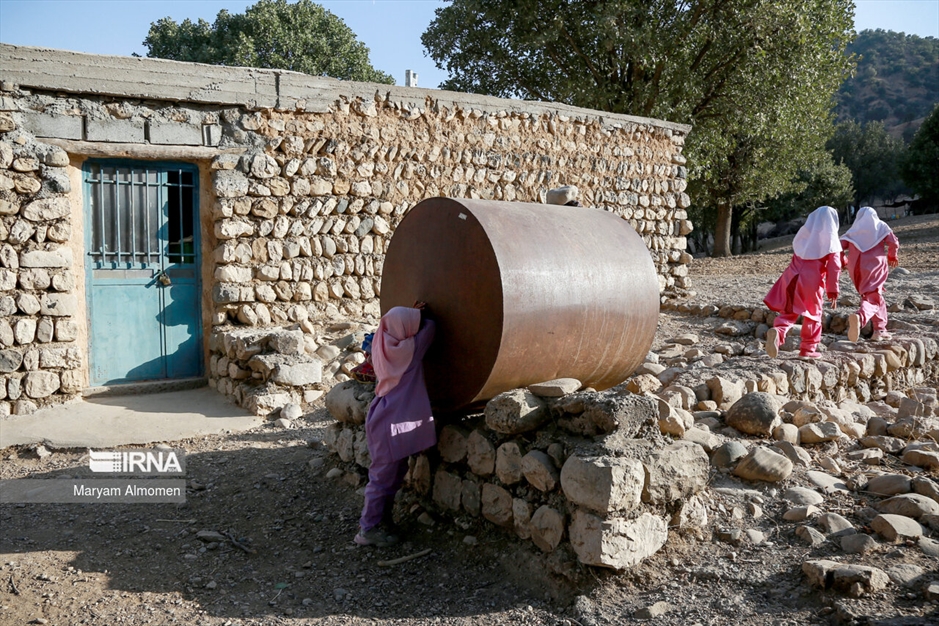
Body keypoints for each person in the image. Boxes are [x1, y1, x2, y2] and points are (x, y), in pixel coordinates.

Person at [355, 302, 436, 547]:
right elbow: (431, 328)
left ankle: (382, 521)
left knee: (390, 475)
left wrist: (407, 316)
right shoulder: (409, 351)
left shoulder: (381, 344)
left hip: (382, 415)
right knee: (382, 478)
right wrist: (422, 314)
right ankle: (368, 529)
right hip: (392, 421)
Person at [763, 206, 842, 359]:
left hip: (791, 275)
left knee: (789, 310)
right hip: (811, 280)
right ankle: (808, 349)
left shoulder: (804, 236)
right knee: (813, 314)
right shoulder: (831, 240)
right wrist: (833, 290)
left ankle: (778, 333)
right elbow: (834, 266)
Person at [840, 207, 900, 342]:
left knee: (874, 295)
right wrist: (892, 256)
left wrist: (843, 261)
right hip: (875, 266)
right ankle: (860, 317)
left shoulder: (853, 231)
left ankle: (879, 330)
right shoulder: (880, 226)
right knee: (873, 297)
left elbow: (837, 247)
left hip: (856, 268)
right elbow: (893, 242)